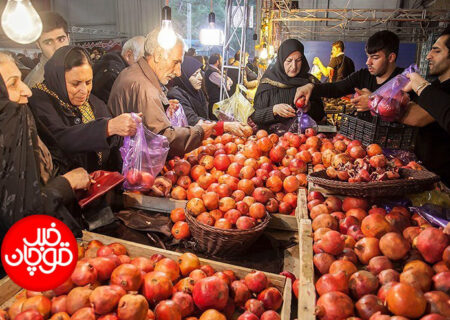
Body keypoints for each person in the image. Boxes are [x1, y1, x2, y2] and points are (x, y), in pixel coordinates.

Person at [0, 51, 92, 248]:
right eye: (13, 83)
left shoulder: (19, 124)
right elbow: (18, 219)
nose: (27, 90)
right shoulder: (36, 108)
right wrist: (66, 184)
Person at [28, 46, 138, 174]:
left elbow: (115, 147)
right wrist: (107, 127)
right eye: (75, 84)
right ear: (58, 79)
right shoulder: (39, 101)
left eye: (88, 82)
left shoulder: (95, 103)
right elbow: (59, 139)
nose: (84, 91)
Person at [108, 28, 216, 158]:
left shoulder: (135, 73)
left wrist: (162, 106)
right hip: (130, 167)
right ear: (158, 56)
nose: (178, 72)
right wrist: (199, 132)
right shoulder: (145, 87)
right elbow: (162, 139)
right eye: (176, 62)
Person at [295, 30, 404, 113]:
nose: (368, 62)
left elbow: (418, 117)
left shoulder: (404, 80)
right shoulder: (363, 75)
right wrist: (311, 87)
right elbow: (336, 88)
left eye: (375, 58)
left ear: (390, 58)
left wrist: (374, 103)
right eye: (368, 57)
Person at [400, 26, 450, 186]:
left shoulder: (440, 91)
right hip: (425, 173)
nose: (428, 55)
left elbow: (416, 116)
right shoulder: (434, 86)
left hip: (443, 182)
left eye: (436, 51)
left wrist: (377, 104)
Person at [250, 39, 324, 133]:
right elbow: (255, 116)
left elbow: (321, 115)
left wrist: (309, 107)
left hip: (303, 142)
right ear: (281, 60)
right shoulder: (268, 83)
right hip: (272, 142)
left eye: (298, 60)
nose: (294, 66)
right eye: (289, 61)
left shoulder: (309, 84)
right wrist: (273, 110)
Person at [167, 56, 247, 136]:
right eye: (195, 75)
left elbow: (205, 116)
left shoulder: (198, 92)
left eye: (200, 73)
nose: (200, 78)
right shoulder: (175, 95)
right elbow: (193, 121)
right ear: (184, 77)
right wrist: (224, 126)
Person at [92, 36, 145, 103]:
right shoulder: (112, 75)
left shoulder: (116, 68)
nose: (145, 66)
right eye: (143, 60)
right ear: (128, 55)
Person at [24, 12, 70, 88]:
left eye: (61, 39)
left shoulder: (78, 67)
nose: (57, 47)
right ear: (38, 45)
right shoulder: (37, 84)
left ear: (68, 38)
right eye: (48, 42)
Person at [204, 53, 232, 119]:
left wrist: (227, 81)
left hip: (217, 102)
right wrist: (227, 81)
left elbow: (230, 81)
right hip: (215, 103)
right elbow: (226, 86)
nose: (222, 62)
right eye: (221, 60)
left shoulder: (216, 71)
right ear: (217, 61)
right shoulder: (212, 72)